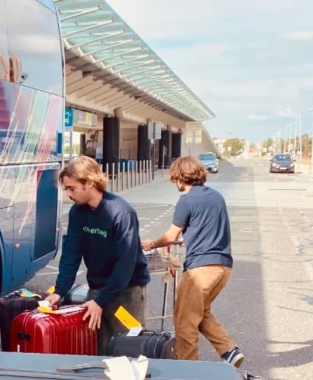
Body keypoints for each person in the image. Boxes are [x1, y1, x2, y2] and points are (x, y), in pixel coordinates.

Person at [142, 156, 244, 365]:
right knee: (200, 312)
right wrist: (187, 240)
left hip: (201, 269)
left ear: (180, 177)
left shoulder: (186, 200)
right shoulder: (216, 197)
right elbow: (207, 230)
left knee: (184, 319)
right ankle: (229, 351)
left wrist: (151, 244)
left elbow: (171, 235)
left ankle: (188, 369)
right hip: (223, 267)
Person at [46, 156, 150, 353]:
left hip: (126, 291)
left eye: (71, 188)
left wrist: (101, 300)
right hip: (96, 289)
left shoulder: (121, 213)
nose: (68, 194)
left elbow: (125, 265)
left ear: (90, 183)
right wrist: (60, 291)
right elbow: (71, 254)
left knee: (128, 348)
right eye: (66, 188)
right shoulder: (78, 212)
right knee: (98, 349)